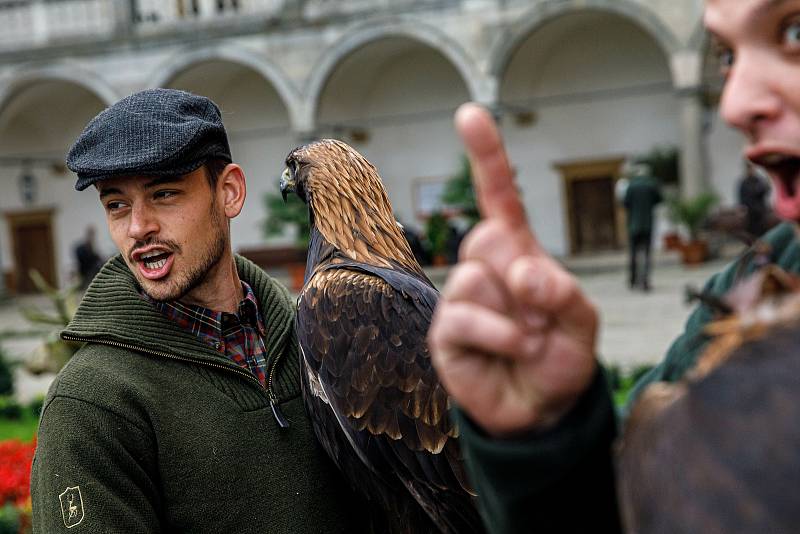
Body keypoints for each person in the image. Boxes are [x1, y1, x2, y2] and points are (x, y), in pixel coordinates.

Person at [427, 0, 800, 531]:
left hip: (640, 237)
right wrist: (550, 439)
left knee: (641, 258)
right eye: (726, 55)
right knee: (643, 259)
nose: (735, 103)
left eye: (794, 30)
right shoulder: (755, 282)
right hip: (645, 239)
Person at [30, 89, 366, 533]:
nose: (138, 227)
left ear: (228, 192)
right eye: (116, 205)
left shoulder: (318, 340)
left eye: (164, 194)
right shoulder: (93, 403)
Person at [623, 164, 662, 291]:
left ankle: (633, 280)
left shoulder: (631, 185)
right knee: (646, 253)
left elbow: (625, 203)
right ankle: (645, 281)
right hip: (647, 224)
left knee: (633, 254)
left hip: (633, 225)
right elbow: (659, 200)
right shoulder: (651, 184)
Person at [737, 160, 770, 239]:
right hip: (750, 212)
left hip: (760, 211)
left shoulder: (758, 180)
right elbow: (742, 197)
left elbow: (764, 191)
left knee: (762, 231)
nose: (752, 170)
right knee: (752, 233)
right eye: (750, 169)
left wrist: (767, 186)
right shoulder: (744, 182)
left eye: (753, 168)